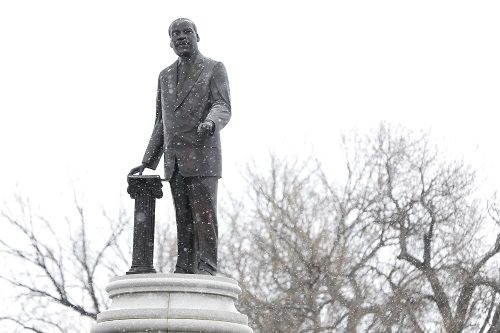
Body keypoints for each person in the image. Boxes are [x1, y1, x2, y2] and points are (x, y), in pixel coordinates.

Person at [129, 18, 231, 276]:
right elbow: (161, 121)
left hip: (203, 155)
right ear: (170, 42)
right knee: (183, 219)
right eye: (176, 34)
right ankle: (184, 267)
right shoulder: (165, 76)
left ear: (198, 36)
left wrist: (211, 122)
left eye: (187, 32)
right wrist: (148, 160)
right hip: (174, 160)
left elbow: (223, 105)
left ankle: (207, 267)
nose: (181, 37)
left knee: (204, 218)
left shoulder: (213, 68)